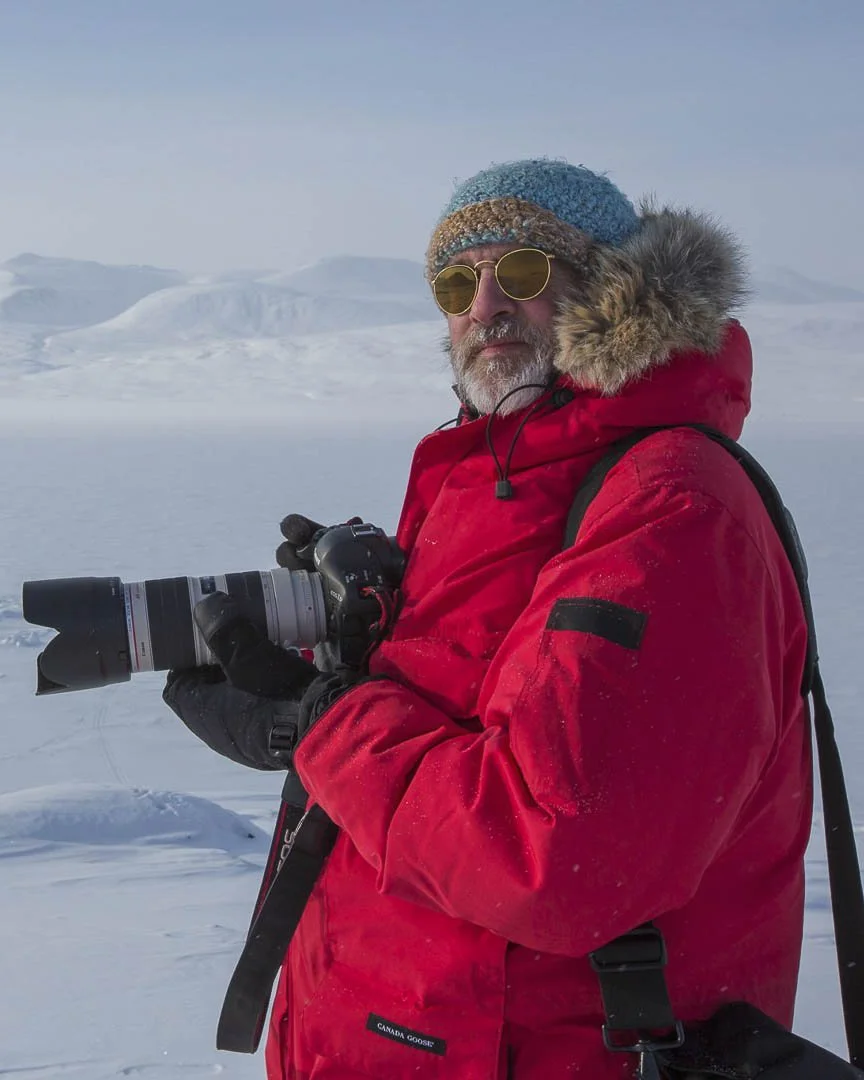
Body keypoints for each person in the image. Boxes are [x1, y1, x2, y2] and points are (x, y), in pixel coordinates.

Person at [164, 159, 812, 1079]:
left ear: (615, 290)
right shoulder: (487, 480)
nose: (484, 306)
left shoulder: (672, 507)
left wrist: (328, 724)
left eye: (522, 273)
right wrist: (351, 654)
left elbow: (554, 854)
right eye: (456, 283)